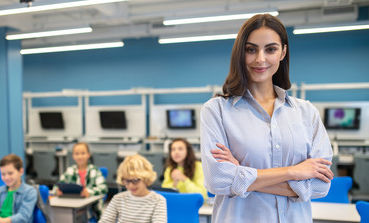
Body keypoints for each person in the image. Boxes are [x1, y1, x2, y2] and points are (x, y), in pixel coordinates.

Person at [200, 14, 334, 223]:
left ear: (283, 52)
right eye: (251, 49)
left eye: (270, 49)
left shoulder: (307, 113)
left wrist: (240, 174)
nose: (260, 59)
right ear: (240, 53)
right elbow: (217, 181)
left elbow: (320, 186)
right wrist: (293, 172)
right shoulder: (217, 110)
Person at [99, 154, 167, 223]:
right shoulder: (118, 199)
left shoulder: (158, 201)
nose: (131, 185)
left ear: (145, 178)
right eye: (127, 181)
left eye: (135, 180)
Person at [55, 142, 108, 219]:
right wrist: (57, 191)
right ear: (73, 156)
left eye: (83, 153)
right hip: (72, 205)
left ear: (88, 155)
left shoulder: (94, 171)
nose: (80, 156)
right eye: (77, 154)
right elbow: (57, 186)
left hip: (91, 209)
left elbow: (103, 188)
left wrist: (89, 192)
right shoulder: (70, 171)